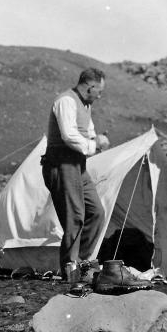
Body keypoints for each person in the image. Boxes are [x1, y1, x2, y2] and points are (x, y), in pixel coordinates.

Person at [41, 68, 110, 285]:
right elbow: (69, 135)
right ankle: (70, 268)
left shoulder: (85, 105)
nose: (100, 96)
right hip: (61, 164)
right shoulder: (66, 101)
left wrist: (97, 140)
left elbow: (88, 132)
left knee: (96, 212)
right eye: (99, 91)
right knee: (74, 216)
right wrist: (93, 145)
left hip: (78, 166)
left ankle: (81, 262)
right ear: (90, 86)